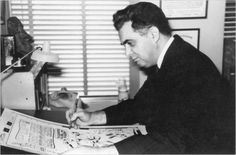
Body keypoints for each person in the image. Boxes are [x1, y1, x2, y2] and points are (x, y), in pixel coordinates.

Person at [65, 2, 234, 154]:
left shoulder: (191, 67)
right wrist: (93, 117)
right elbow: (140, 106)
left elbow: (178, 139)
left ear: (153, 34)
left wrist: (103, 153)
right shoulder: (169, 59)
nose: (128, 53)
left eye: (131, 43)